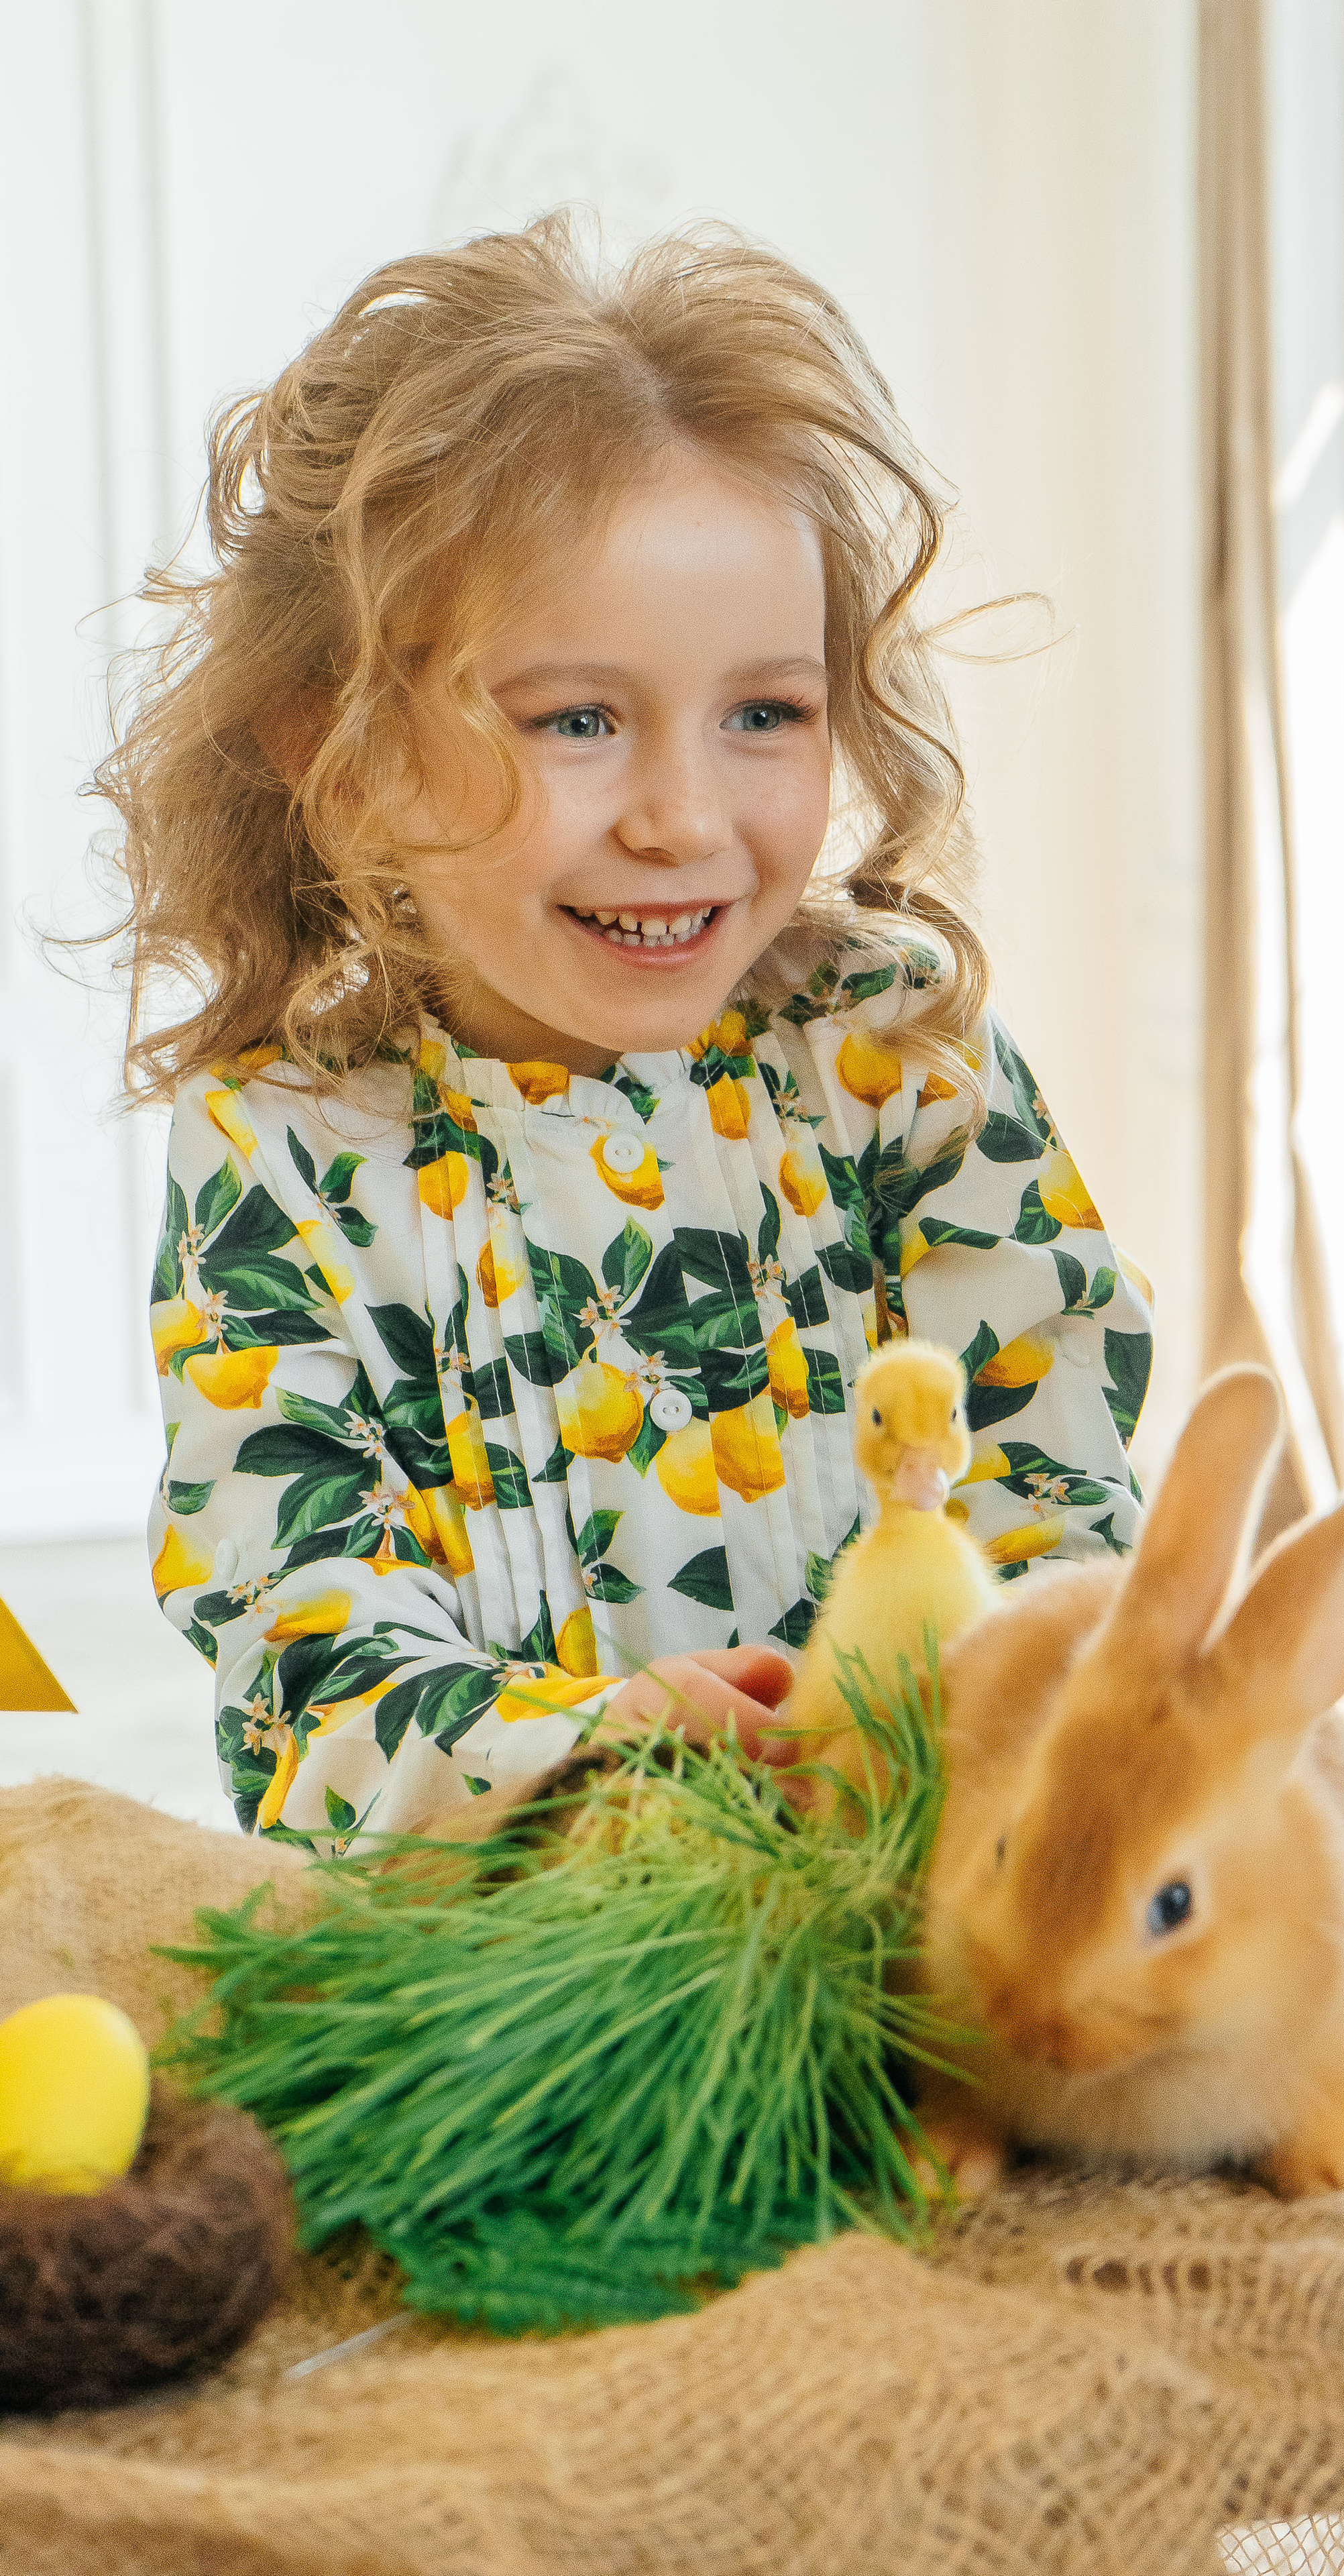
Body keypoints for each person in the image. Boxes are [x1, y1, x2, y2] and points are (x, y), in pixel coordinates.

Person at [105, 214, 1155, 1849]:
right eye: (577, 720)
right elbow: (304, 1666)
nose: (683, 817)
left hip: (937, 1875)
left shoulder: (898, 1053)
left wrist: (954, 1729)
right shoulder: (283, 1156)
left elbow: (1058, 1489)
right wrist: (597, 1744)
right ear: (345, 751)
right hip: (529, 1939)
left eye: (765, 714)